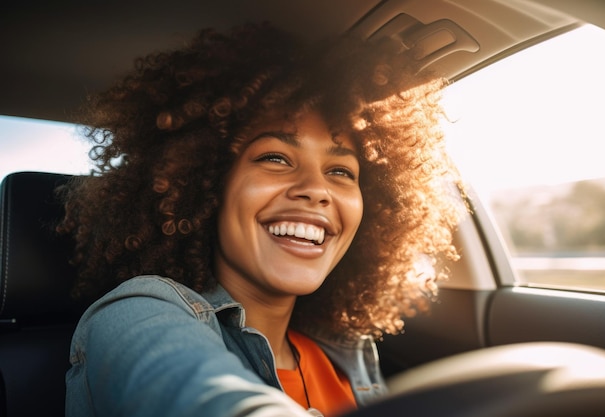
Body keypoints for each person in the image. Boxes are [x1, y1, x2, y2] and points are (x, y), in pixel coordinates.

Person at [57, 22, 464, 417]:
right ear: (207, 183)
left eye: (341, 171)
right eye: (275, 158)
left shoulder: (346, 348)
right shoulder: (135, 313)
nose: (316, 189)